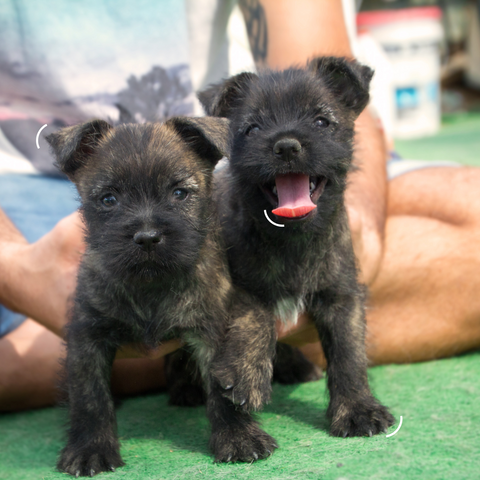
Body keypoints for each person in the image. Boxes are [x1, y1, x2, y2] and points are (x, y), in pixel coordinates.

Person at [1, 0, 479, 412]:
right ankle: (187, 339)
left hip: (207, 172)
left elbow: (322, 95)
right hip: (27, 186)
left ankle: (199, 337)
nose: (289, 140)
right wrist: (16, 270)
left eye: (318, 119)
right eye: (251, 125)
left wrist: (364, 236)